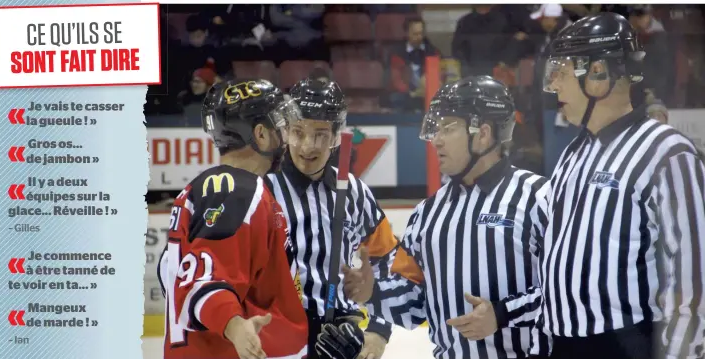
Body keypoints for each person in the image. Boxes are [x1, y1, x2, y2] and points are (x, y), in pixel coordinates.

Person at [498, 13, 705, 359]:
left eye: (561, 73)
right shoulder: (572, 154)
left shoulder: (667, 153)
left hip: (627, 346)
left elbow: (691, 286)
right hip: (563, 345)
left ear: (598, 74)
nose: (553, 87)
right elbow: (556, 265)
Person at [343, 76, 551, 359]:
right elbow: (414, 305)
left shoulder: (540, 198)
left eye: (448, 129)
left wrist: (503, 314)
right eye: (435, 129)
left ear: (483, 133)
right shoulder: (427, 215)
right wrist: (373, 294)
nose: (435, 140)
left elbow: (573, 292)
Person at [158, 79, 336, 359]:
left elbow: (172, 271)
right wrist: (235, 326)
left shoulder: (202, 190)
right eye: (280, 125)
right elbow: (203, 279)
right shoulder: (238, 189)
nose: (286, 135)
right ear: (261, 134)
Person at [265, 78, 398, 359]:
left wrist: (379, 330)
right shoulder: (261, 190)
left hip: (341, 342)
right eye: (298, 132)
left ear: (337, 135)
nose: (307, 146)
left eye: (321, 134)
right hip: (275, 340)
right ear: (285, 130)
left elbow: (390, 260)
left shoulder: (354, 191)